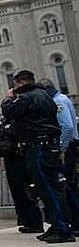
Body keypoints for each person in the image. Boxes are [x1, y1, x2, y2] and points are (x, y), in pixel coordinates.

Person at [1, 70, 75, 243]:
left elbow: (10, 112)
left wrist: (8, 99)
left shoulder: (27, 97)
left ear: (19, 83)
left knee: (49, 188)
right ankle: (58, 225)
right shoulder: (45, 95)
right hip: (48, 145)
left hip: (40, 147)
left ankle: (62, 228)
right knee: (50, 187)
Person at [39, 78, 79, 230]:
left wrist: (61, 148)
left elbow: (67, 127)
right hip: (69, 147)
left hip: (67, 148)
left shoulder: (57, 102)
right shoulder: (63, 98)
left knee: (67, 186)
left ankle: (75, 222)